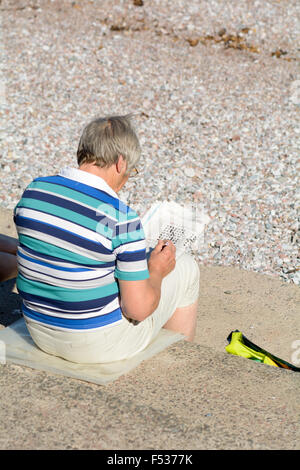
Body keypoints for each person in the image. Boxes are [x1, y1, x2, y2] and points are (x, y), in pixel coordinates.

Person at [14, 115, 200, 363]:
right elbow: (137, 310)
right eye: (131, 171)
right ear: (120, 163)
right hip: (96, 344)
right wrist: (156, 271)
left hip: (38, 332)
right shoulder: (121, 219)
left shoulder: (35, 191)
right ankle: (180, 364)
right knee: (186, 267)